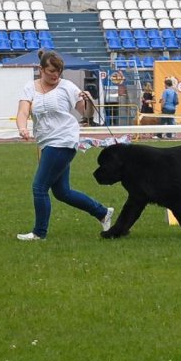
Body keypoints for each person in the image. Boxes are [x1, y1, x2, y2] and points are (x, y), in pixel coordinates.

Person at [15, 50, 114, 241]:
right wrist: (22, 128)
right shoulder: (29, 88)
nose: (55, 75)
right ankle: (102, 212)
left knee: (39, 187)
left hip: (64, 139)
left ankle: (39, 233)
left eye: (58, 71)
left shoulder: (68, 87)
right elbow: (22, 111)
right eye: (51, 70)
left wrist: (88, 101)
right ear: (40, 69)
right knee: (62, 192)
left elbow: (84, 113)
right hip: (45, 141)